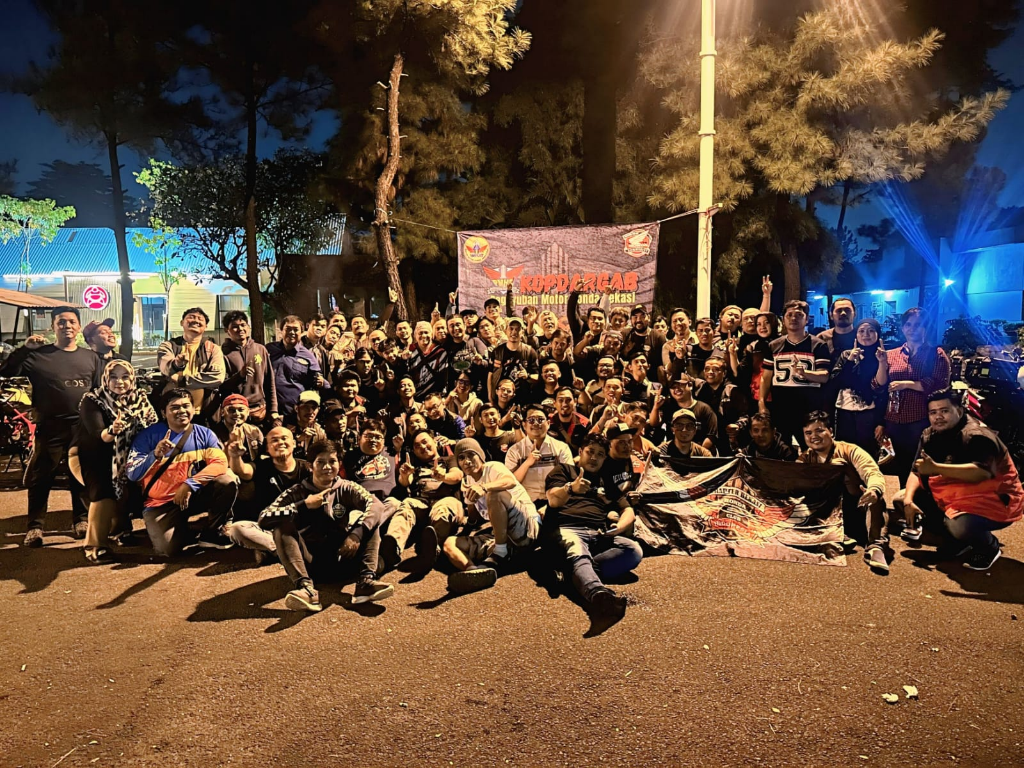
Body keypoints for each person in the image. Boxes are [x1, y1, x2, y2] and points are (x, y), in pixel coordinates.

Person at [0, 306, 100, 547]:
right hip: (50, 426)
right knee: (42, 476)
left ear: (78, 326)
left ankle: (81, 519)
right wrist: (24, 349)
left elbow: (98, 392)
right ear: (53, 326)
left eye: (71, 322)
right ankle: (35, 527)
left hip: (81, 426)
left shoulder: (90, 357)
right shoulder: (38, 355)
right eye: (61, 322)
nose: (67, 326)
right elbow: (6, 371)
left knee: (79, 474)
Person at [258, 439, 395, 611]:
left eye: (332, 461)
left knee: (370, 521)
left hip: (344, 558)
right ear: (310, 466)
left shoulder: (347, 487)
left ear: (339, 464)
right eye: (320, 462)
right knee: (281, 526)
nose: (327, 467)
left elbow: (376, 505)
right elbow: (264, 517)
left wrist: (356, 535)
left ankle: (366, 582)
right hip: (311, 565)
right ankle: (306, 590)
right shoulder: (297, 491)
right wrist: (303, 505)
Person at [896, 390, 1022, 571]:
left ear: (960, 411)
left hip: (996, 500)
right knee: (901, 499)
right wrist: (909, 501)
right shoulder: (929, 434)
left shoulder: (977, 435)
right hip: (958, 495)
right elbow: (916, 471)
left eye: (944, 411)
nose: (938, 417)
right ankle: (959, 541)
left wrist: (936, 468)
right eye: (933, 412)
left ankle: (988, 546)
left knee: (959, 525)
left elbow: (982, 473)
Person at [545, 434, 642, 624]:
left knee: (633, 551)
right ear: (580, 451)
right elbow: (553, 500)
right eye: (590, 452)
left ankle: (574, 574)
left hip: (599, 533)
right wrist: (570, 488)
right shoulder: (563, 470)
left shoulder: (606, 480)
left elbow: (628, 510)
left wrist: (619, 528)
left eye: (600, 454)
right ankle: (599, 596)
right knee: (577, 550)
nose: (594, 458)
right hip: (567, 529)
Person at [126, 388, 237, 555]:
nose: (182, 411)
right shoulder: (148, 436)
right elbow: (133, 474)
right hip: (162, 502)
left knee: (227, 480)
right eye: (175, 407)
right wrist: (155, 455)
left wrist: (190, 484)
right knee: (168, 550)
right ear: (163, 413)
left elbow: (220, 463)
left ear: (193, 409)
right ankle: (182, 529)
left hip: (193, 494)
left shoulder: (205, 434)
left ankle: (212, 532)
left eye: (186, 406)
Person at [74, 359, 158, 562]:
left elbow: (152, 425)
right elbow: (98, 434)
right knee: (104, 493)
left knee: (129, 487)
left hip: (127, 455)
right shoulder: (93, 400)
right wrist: (113, 429)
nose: (119, 382)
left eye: (125, 377)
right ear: (105, 379)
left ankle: (120, 530)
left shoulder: (140, 398)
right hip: (93, 455)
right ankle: (94, 546)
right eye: (113, 377)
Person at [443, 438, 542, 593]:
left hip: (528, 530)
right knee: (450, 543)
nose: (467, 461)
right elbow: (473, 518)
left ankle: (500, 554)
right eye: (461, 458)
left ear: (480, 456)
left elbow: (510, 481)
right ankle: (475, 572)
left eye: (471, 455)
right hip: (501, 538)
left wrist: (484, 487)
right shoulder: (468, 481)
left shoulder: (493, 467)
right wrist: (463, 529)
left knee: (494, 494)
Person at [797, 411, 889, 571]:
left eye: (819, 430)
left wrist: (874, 489)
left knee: (875, 497)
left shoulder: (850, 450)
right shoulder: (805, 458)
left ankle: (875, 546)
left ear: (831, 432)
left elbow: (872, 472)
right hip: (828, 515)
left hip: (858, 508)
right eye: (808, 433)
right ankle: (835, 534)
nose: (814, 436)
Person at [879, 308, 951, 484]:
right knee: (900, 464)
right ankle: (904, 497)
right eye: (908, 324)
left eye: (918, 325)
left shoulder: (936, 354)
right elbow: (879, 386)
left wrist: (907, 384)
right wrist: (881, 363)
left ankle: (921, 497)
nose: (912, 329)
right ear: (903, 328)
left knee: (921, 464)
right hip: (894, 418)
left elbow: (940, 385)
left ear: (926, 327)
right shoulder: (892, 354)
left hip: (920, 418)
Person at [225, 426, 309, 564]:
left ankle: (276, 552)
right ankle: (282, 550)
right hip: (270, 530)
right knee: (237, 529)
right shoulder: (261, 466)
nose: (280, 443)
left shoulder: (308, 468)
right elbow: (242, 471)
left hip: (303, 528)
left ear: (294, 443)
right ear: (267, 448)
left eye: (284, 438)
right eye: (274, 440)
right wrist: (235, 456)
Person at [383, 430, 465, 573]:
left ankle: (432, 550)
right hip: (422, 504)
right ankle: (392, 547)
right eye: (417, 446)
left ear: (434, 441)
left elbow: (457, 475)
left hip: (446, 501)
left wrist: (443, 477)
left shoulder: (449, 459)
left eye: (425, 442)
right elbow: (405, 482)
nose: (422, 447)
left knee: (444, 507)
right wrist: (404, 475)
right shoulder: (415, 465)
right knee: (407, 505)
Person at [759, 300, 832, 448]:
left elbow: (824, 376)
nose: (793, 318)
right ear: (783, 319)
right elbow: (766, 378)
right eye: (789, 315)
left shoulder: (818, 345)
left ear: (807, 319)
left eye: (799, 315)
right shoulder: (773, 345)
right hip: (781, 408)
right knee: (781, 449)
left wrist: (804, 373)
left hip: (809, 409)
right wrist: (762, 403)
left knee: (812, 449)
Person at [830, 319, 888, 457]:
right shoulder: (846, 355)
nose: (865, 334)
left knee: (868, 454)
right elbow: (836, 382)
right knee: (844, 453)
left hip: (869, 414)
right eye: (861, 331)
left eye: (871, 331)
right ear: (855, 335)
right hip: (844, 412)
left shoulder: (882, 356)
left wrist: (882, 362)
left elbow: (881, 388)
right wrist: (850, 360)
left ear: (878, 334)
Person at [156, 307, 226, 418]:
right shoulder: (168, 346)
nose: (195, 321)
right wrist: (176, 364)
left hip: (204, 411)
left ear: (206, 326)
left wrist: (182, 380)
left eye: (200, 319)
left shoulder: (213, 349)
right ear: (181, 322)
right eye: (191, 317)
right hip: (173, 411)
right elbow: (165, 369)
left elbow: (218, 377)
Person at [505, 405, 574, 505]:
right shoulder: (514, 451)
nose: (536, 423)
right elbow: (510, 482)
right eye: (531, 420)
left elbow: (568, 479)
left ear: (548, 423)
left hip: (555, 502)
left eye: (540, 420)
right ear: (524, 425)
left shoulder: (561, 448)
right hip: (525, 503)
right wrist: (527, 463)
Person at [220, 310, 278, 426]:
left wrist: (273, 410)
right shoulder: (223, 353)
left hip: (259, 411)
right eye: (235, 327)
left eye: (243, 325)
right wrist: (240, 376)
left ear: (248, 327)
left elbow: (269, 381)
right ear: (227, 330)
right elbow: (221, 386)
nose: (240, 329)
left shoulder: (260, 349)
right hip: (235, 412)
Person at [267, 314, 322, 418]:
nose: (292, 332)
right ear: (281, 331)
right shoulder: (269, 350)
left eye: (295, 329)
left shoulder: (308, 355)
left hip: (295, 413)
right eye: (288, 329)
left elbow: (318, 380)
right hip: (269, 411)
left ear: (302, 332)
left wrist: (321, 382)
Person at [489, 317, 539, 401]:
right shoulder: (497, 351)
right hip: (501, 399)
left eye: (517, 329)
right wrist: (490, 396)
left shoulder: (530, 351)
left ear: (522, 332)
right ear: (506, 331)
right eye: (511, 329)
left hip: (523, 398)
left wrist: (527, 376)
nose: (514, 332)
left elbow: (538, 377)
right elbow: (490, 375)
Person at [726, 413, 797, 461]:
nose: (760, 434)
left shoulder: (785, 451)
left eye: (765, 430)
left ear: (773, 432)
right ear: (751, 433)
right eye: (756, 430)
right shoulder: (749, 450)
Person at [549, 386, 590, 456]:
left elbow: (588, 448)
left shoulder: (584, 423)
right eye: (560, 400)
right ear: (554, 403)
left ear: (575, 402)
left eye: (568, 400)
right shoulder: (548, 422)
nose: (564, 404)